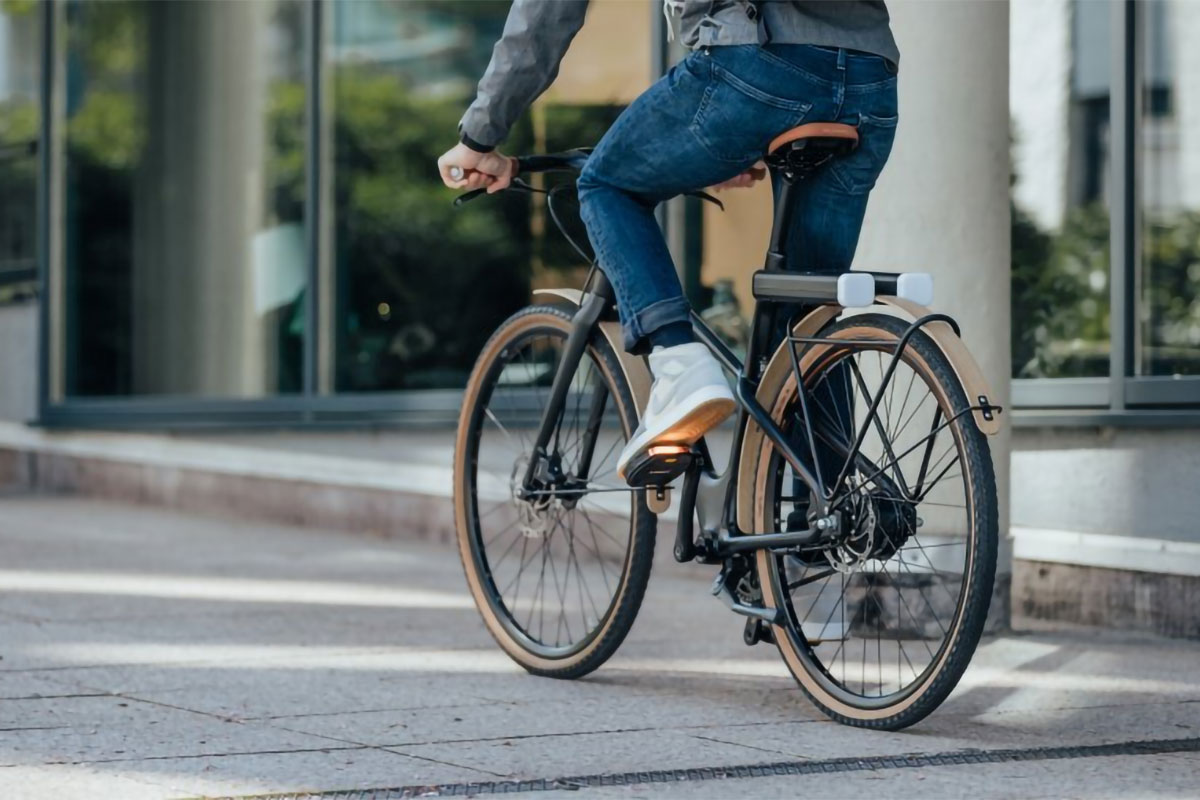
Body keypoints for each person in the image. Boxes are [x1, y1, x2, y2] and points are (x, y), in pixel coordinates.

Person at [438, 0, 899, 481]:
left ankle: (679, 365)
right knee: (807, 316)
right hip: (871, 80)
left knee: (606, 185)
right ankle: (832, 524)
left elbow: (548, 11)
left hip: (754, 62)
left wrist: (479, 135)